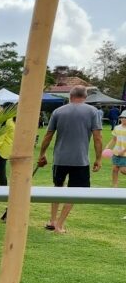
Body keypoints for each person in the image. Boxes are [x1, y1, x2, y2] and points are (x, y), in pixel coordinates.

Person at [37, 86, 103, 233]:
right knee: (75, 192)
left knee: (57, 188)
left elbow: (48, 135)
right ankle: (59, 224)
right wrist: (98, 158)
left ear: (70, 95)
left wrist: (42, 154)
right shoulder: (93, 111)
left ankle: (52, 221)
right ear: (85, 96)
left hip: (60, 158)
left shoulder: (58, 111)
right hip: (80, 160)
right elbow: (98, 138)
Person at [107, 112, 126, 190]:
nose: (123, 119)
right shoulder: (117, 127)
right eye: (122, 117)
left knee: (123, 170)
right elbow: (114, 139)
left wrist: (124, 151)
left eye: (125, 118)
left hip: (124, 154)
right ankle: (115, 186)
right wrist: (108, 147)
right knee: (115, 169)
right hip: (116, 152)